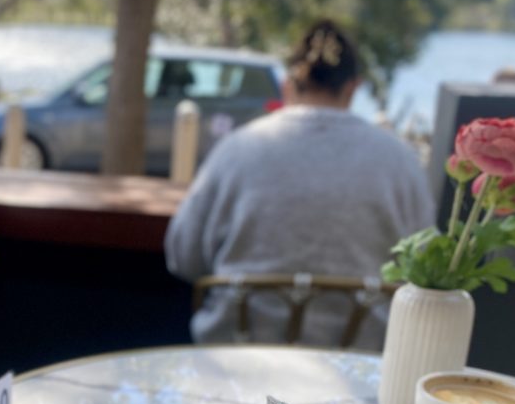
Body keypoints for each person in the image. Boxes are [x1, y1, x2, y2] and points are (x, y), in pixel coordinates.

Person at [164, 19, 435, 349]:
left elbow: (183, 256)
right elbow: (424, 268)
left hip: (239, 361)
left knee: (270, 402)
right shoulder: (400, 160)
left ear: (288, 85)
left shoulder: (237, 149)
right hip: (361, 370)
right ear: (353, 88)